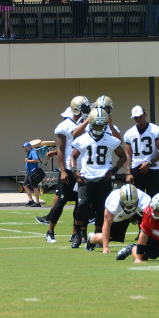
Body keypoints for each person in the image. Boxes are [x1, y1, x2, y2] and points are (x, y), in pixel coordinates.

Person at [69, 108, 127, 251]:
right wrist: (74, 171)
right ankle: (77, 232)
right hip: (86, 178)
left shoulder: (111, 140)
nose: (99, 128)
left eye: (101, 125)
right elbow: (73, 156)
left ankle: (98, 235)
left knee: (101, 209)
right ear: (91, 124)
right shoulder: (82, 139)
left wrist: (113, 170)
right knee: (82, 205)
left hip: (103, 179)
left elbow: (123, 156)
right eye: (96, 125)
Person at [42, 96, 90, 242]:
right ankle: (50, 231)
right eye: (85, 107)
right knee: (61, 201)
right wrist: (63, 170)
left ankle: (74, 233)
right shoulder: (64, 125)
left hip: (83, 169)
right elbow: (61, 149)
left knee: (80, 203)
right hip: (69, 168)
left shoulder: (87, 124)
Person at [89, 183, 150, 258]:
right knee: (107, 238)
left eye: (131, 204)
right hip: (119, 216)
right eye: (127, 204)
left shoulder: (145, 201)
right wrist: (105, 248)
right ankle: (91, 239)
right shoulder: (113, 202)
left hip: (136, 212)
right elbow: (106, 225)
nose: (129, 206)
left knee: (149, 232)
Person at [123, 105, 159, 197]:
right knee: (136, 202)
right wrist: (128, 173)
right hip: (136, 170)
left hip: (152, 168)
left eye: (140, 116)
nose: (138, 119)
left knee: (155, 200)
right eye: (135, 117)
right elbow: (128, 154)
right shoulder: (129, 133)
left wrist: (149, 163)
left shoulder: (155, 130)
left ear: (145, 114)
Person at [22, 141, 42, 207]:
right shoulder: (29, 152)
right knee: (25, 185)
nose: (25, 148)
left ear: (29, 147)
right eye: (24, 147)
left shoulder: (33, 152)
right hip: (29, 173)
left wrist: (28, 161)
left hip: (33, 173)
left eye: (26, 147)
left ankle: (38, 203)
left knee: (35, 187)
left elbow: (36, 160)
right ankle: (31, 200)